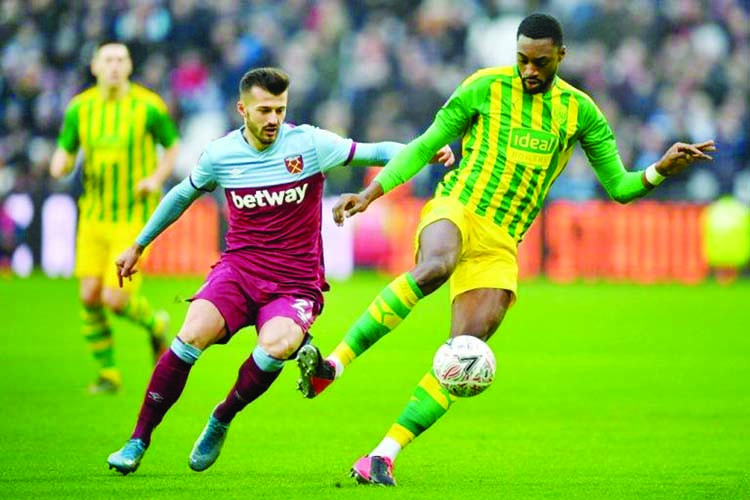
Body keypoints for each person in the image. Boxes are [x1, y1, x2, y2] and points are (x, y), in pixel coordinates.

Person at [296, 13, 717, 486]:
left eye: (540, 62)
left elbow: (618, 185)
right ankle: (332, 365)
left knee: (464, 355)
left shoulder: (581, 113)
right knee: (435, 266)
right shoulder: (483, 87)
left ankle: (382, 455)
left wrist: (658, 170)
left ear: (561, 56)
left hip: (501, 245)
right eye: (522, 60)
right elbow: (423, 146)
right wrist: (370, 195)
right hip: (457, 207)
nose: (529, 71)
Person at [106, 67, 454, 475]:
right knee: (191, 332)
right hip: (238, 271)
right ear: (242, 109)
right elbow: (182, 195)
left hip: (295, 283)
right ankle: (137, 439)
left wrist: (423, 149)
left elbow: (374, 151)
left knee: (279, 344)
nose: (273, 119)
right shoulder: (221, 154)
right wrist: (138, 245)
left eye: (280, 109)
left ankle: (222, 416)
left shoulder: (309, 143)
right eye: (264, 110)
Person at [49, 41, 180, 394]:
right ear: (94, 66)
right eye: (107, 60)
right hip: (93, 216)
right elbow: (64, 150)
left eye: (121, 59)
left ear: (130, 65)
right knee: (89, 295)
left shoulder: (149, 107)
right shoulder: (80, 108)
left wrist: (155, 178)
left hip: (133, 219)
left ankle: (155, 324)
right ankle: (109, 374)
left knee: (114, 298)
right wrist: (59, 163)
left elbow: (173, 146)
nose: (114, 66)